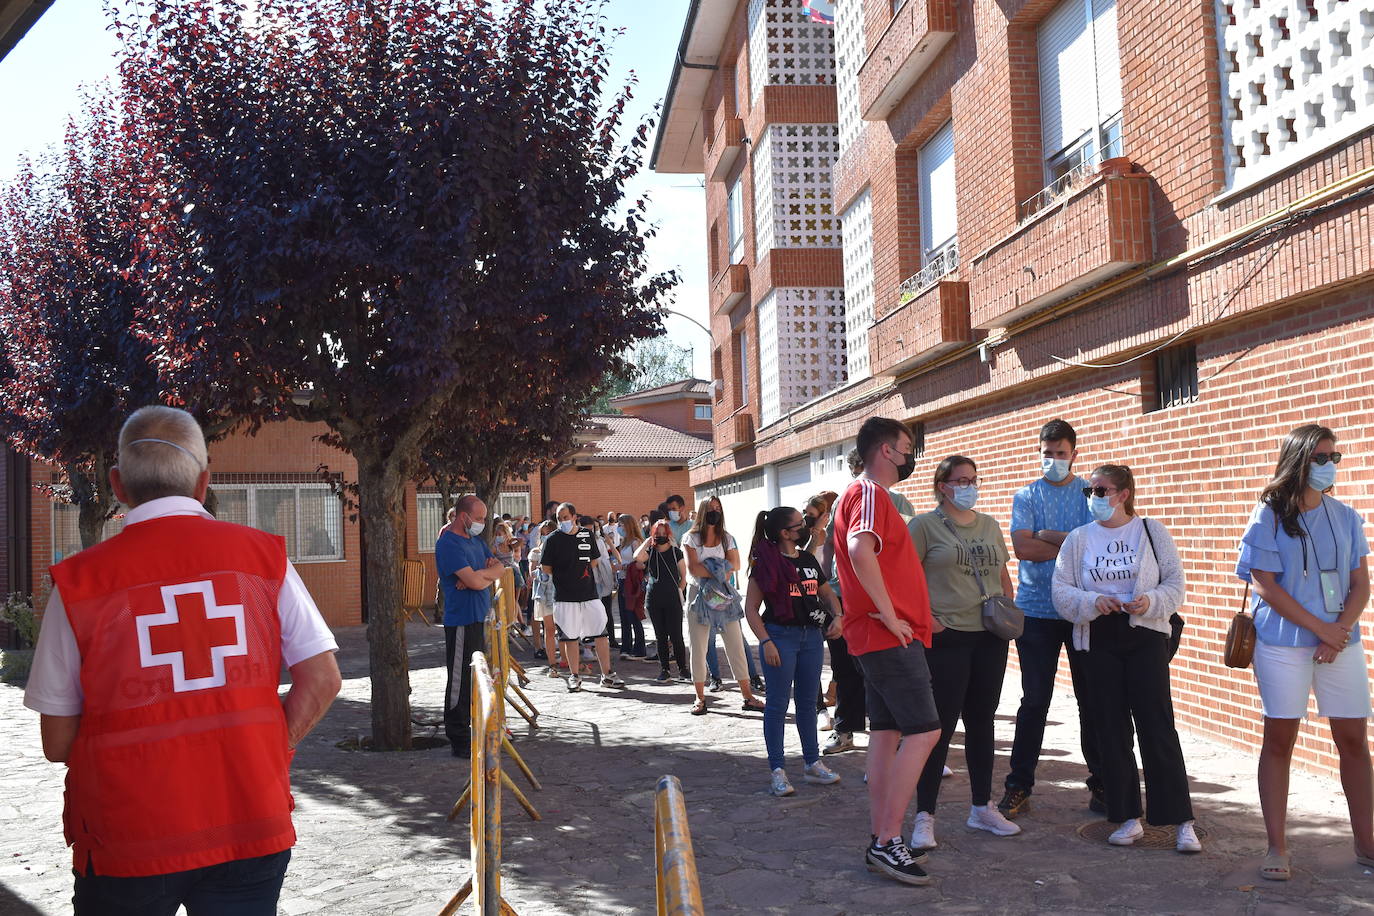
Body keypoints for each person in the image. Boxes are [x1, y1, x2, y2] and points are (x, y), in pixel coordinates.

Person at [22, 406, 342, 913]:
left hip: (127, 837)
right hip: (248, 817)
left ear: (117, 486)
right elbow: (322, 679)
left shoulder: (81, 584)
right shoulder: (264, 560)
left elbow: (57, 741)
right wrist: (262, 748)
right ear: (203, 483)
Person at [1237, 425, 1372, 880]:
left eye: (1335, 456)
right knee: (1280, 741)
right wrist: (1321, 630)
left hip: (1340, 643)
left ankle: (1367, 841)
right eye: (1319, 458)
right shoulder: (1269, 515)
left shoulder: (1347, 516)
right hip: (1283, 643)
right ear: (1297, 461)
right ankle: (1277, 847)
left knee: (1353, 740)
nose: (1329, 466)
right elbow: (1265, 585)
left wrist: (1340, 631)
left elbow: (1360, 584)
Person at [1052, 464, 1199, 852]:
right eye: (1090, 491)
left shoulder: (1151, 530)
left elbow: (1175, 583)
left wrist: (1149, 601)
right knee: (1110, 728)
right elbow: (1061, 591)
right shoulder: (1078, 540)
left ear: (1124, 494)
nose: (1094, 498)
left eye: (1101, 491)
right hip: (1098, 636)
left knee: (1158, 726)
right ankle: (1126, 817)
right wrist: (1091, 600)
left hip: (1145, 633)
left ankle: (1181, 820)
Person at [833, 416, 941, 886]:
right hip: (887, 636)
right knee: (924, 731)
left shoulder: (854, 495)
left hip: (877, 634)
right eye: (906, 446)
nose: (910, 455)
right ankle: (888, 841)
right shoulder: (873, 494)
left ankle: (882, 835)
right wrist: (892, 613)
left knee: (886, 733)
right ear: (885, 450)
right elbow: (861, 551)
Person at [906, 456, 1021, 848]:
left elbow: (1001, 571)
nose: (968, 487)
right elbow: (903, 579)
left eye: (973, 480)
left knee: (982, 721)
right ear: (942, 485)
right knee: (939, 727)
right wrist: (929, 621)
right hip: (947, 636)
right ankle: (925, 815)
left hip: (989, 635)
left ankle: (981, 807)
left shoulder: (988, 524)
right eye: (960, 481)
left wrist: (1007, 602)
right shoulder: (923, 526)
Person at [999, 419, 1104, 819]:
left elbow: (1095, 547)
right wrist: (1071, 541)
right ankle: (1018, 785)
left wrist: (1050, 535)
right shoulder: (1025, 495)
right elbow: (1024, 549)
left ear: (1074, 454)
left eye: (1061, 454)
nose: (1054, 460)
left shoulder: (1089, 494)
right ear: (1039, 452)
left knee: (1091, 700)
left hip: (1083, 612)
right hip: (1037, 613)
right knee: (1034, 702)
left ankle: (1101, 783)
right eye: (1047, 453)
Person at [743, 506, 844, 796]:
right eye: (800, 524)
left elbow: (826, 594)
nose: (806, 527)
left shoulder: (809, 559)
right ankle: (778, 770)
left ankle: (813, 764)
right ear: (785, 533)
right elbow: (751, 608)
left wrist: (838, 616)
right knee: (776, 706)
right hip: (780, 637)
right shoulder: (766, 563)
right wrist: (766, 641)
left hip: (811, 638)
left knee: (806, 704)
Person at [436, 496, 506, 755]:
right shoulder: (449, 544)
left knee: (478, 677)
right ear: (463, 517)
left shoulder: (476, 541)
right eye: (478, 518)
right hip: (461, 620)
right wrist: (480, 577)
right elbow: (481, 579)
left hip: (479, 616)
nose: (482, 523)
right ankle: (459, 737)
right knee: (460, 679)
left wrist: (479, 576)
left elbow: (500, 568)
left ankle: (475, 728)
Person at [684, 498, 764, 715]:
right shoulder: (690, 538)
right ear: (702, 512)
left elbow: (736, 565)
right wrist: (721, 570)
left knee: (736, 644)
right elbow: (693, 569)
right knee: (699, 648)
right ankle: (699, 698)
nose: (715, 512)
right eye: (710, 509)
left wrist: (710, 568)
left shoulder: (727, 538)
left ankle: (747, 696)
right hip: (698, 596)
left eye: (718, 509)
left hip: (723, 595)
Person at [540, 503, 626, 691]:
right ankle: (574, 675)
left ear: (574, 516)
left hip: (589, 593)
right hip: (564, 596)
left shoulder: (587, 535)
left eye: (565, 517)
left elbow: (594, 560)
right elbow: (546, 567)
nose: (562, 521)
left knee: (601, 633)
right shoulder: (552, 539)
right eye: (559, 518)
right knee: (570, 637)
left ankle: (608, 674)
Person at [635, 520, 690, 683]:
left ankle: (683, 669)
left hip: (672, 599)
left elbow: (683, 578)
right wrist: (647, 541)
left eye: (663, 533)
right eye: (657, 533)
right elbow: (637, 557)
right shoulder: (650, 551)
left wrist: (678, 592)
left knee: (676, 635)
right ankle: (664, 669)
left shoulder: (676, 553)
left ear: (668, 534)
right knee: (660, 636)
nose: (660, 536)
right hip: (654, 599)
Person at [527, 521, 559, 669]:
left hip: (559, 591)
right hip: (544, 593)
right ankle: (547, 655)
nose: (545, 536)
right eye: (543, 533)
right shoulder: (536, 552)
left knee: (561, 627)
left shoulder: (560, 550)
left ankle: (562, 657)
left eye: (548, 533)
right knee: (549, 627)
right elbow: (532, 574)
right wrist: (542, 569)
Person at [615, 513, 647, 658]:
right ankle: (626, 648)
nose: (618, 527)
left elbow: (641, 564)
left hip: (633, 583)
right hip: (623, 582)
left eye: (620, 525)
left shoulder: (635, 542)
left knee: (633, 615)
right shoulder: (623, 542)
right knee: (624, 616)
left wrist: (623, 567)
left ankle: (639, 648)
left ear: (627, 525)